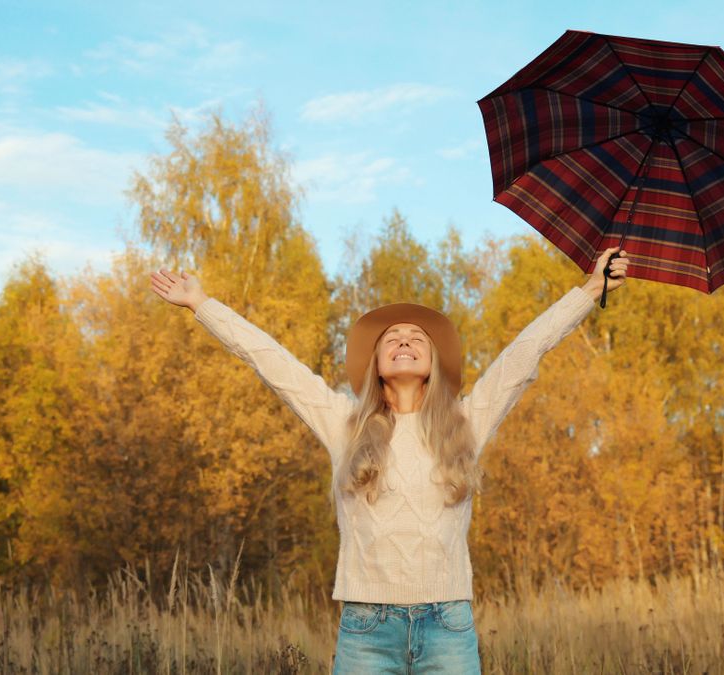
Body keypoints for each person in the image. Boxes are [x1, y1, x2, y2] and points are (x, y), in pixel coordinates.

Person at [149, 247, 631, 674]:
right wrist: (202, 305)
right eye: (392, 338)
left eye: (417, 337)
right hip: (366, 628)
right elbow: (273, 363)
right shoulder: (343, 424)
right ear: (376, 363)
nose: (404, 339)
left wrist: (590, 290)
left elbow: (524, 353)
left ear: (433, 363)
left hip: (448, 626)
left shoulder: (466, 422)